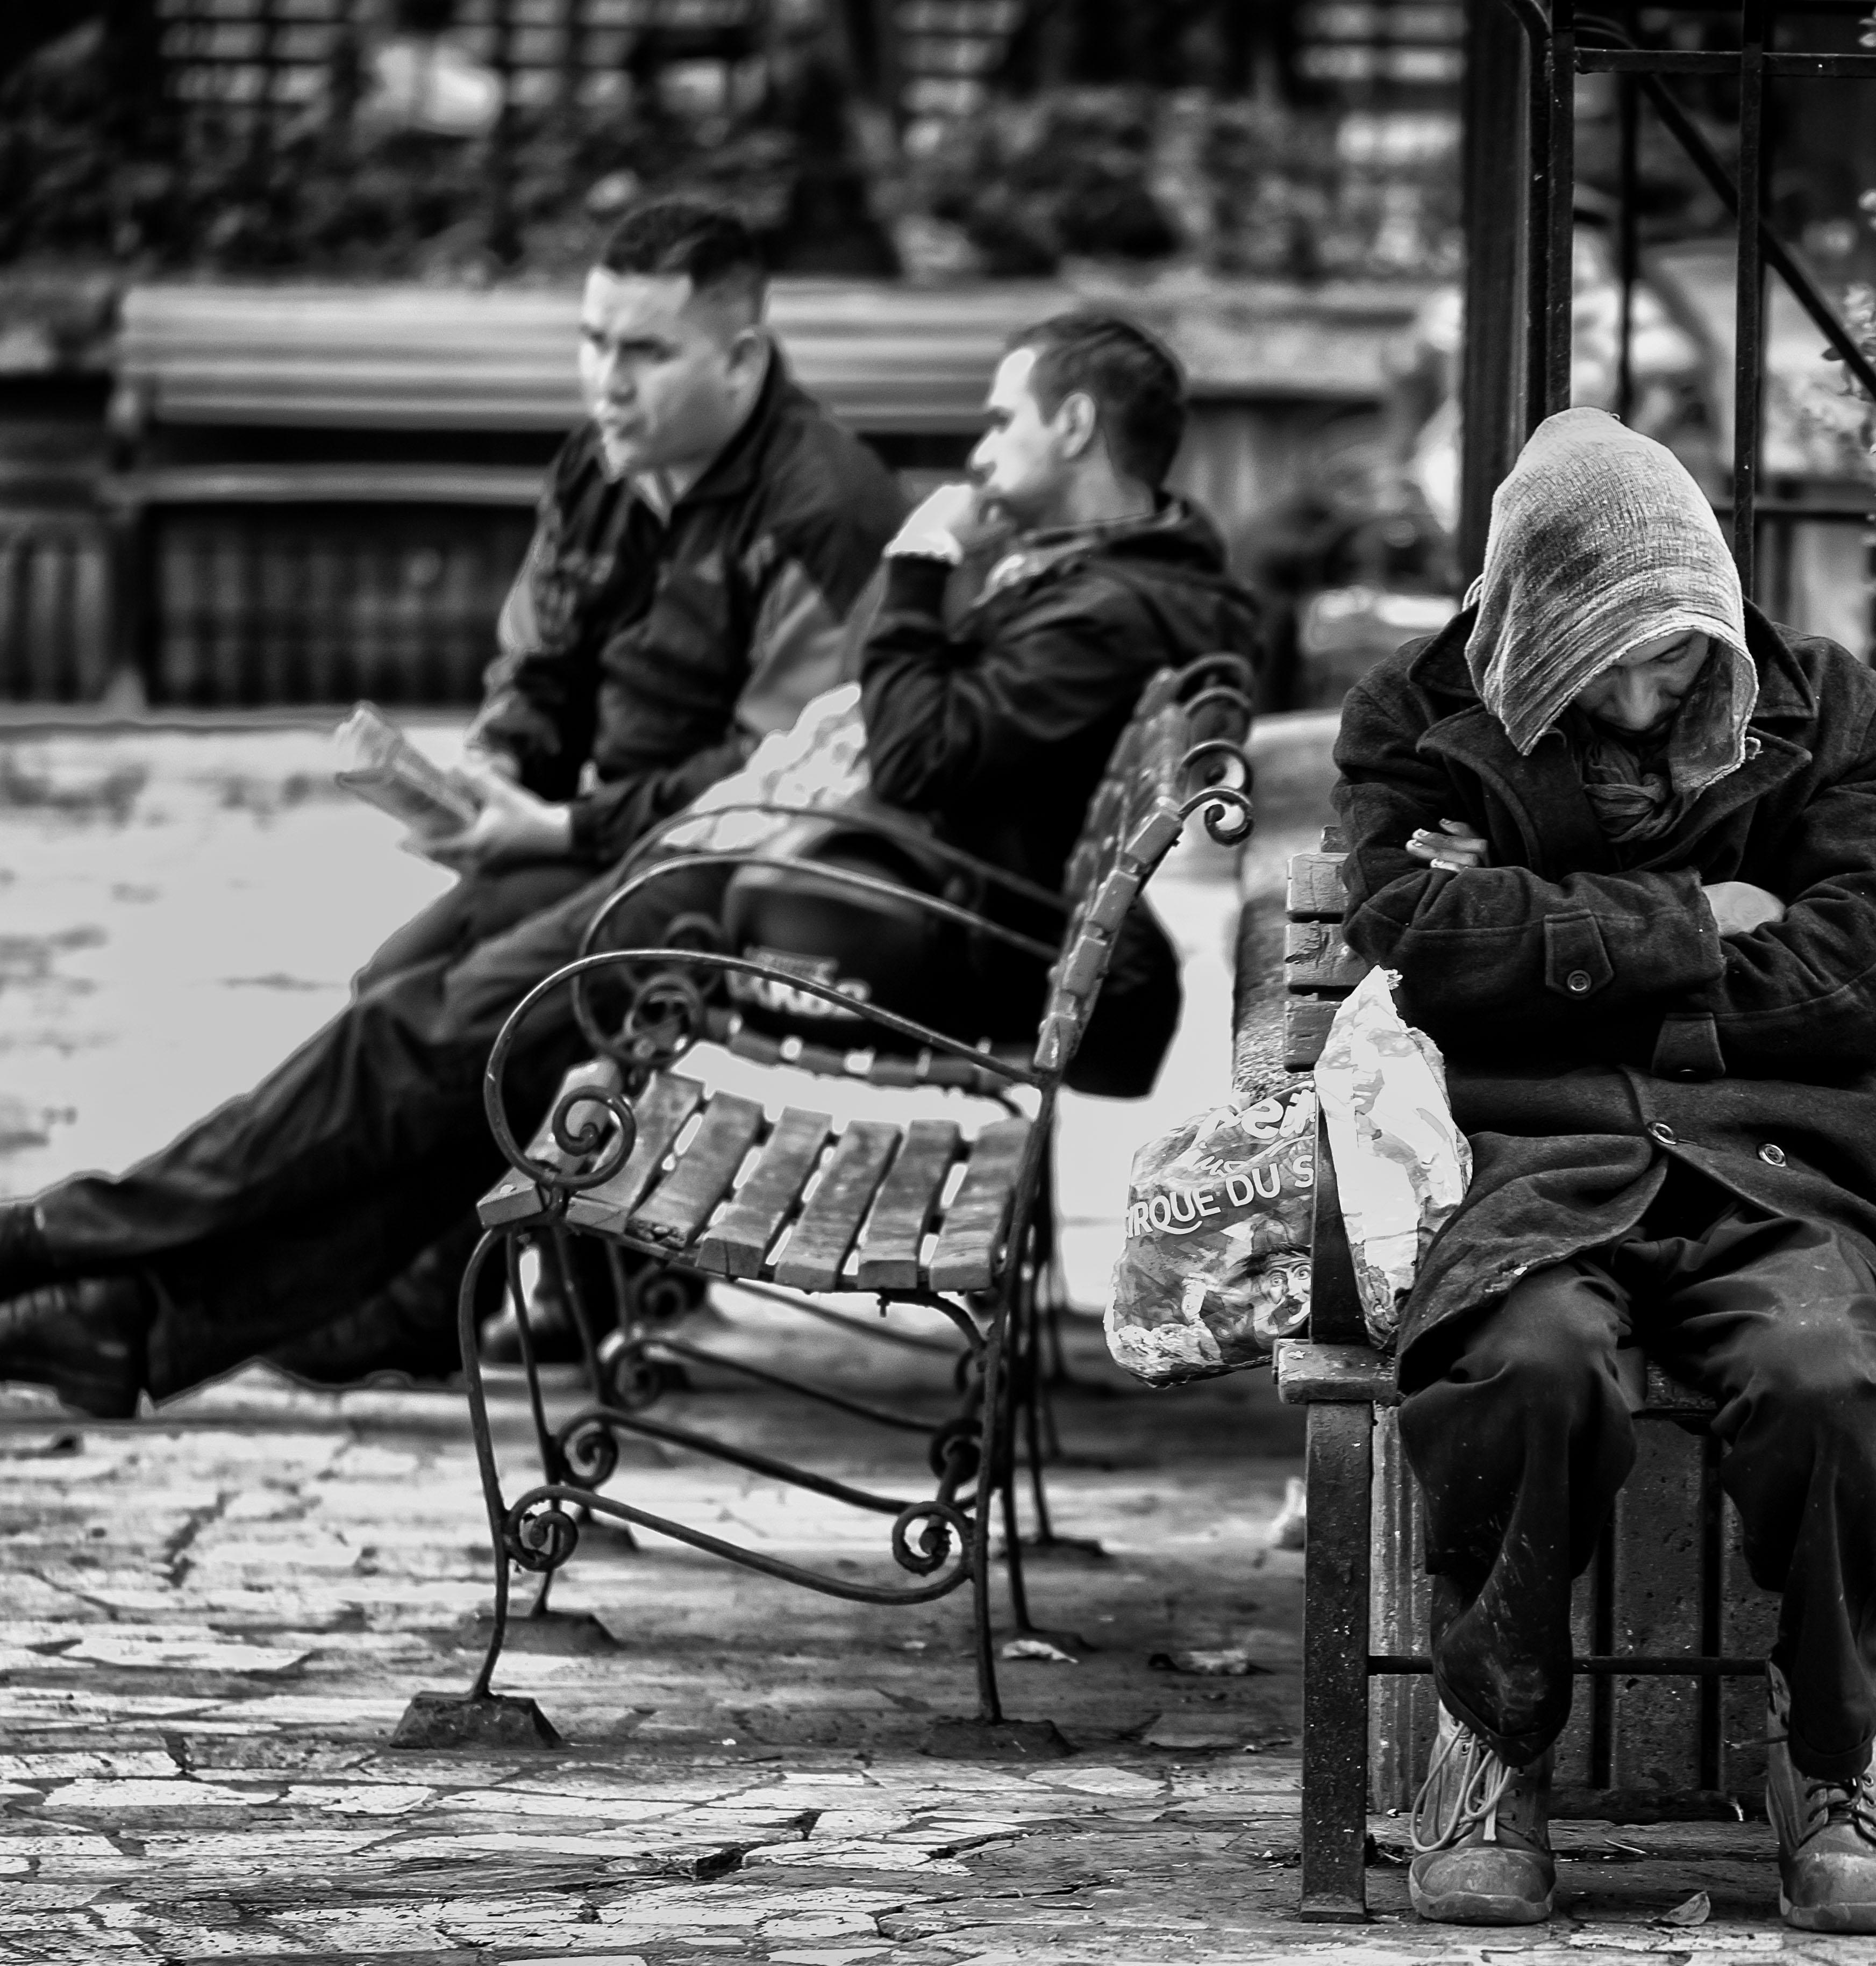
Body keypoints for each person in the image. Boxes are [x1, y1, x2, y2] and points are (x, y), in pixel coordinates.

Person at [0, 312, 1255, 1414]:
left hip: (823, 912)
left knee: (431, 1053)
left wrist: (920, 574)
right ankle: (133, 1317)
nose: (980, 451)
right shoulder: (1113, 582)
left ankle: (71, 1242)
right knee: (437, 1047)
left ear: (1077, 423)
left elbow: (924, 753)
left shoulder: (1114, 605)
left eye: (1001, 420)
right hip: (802, 878)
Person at [1331, 409, 1876, 1936]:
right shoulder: (1414, 712)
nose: (1645, 693)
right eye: (1603, 660)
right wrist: (1700, 915)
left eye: (1674, 657)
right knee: (1527, 1363)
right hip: (1533, 1165)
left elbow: (1840, 987)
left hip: (1781, 1167)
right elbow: (1416, 947)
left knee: (1821, 1376)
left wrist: (1542, 923)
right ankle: (1493, 1742)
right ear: (1529, 628)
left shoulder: (1841, 715)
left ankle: (1831, 1755)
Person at [353, 194, 904, 992]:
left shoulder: (829, 512)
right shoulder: (596, 466)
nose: (608, 384)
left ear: (742, 360)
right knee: (391, 987)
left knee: (435, 1013)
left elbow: (776, 776)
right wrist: (495, 765)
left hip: (731, 884)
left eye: (647, 353)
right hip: (602, 848)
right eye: (594, 343)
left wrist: (562, 828)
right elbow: (541, 662)